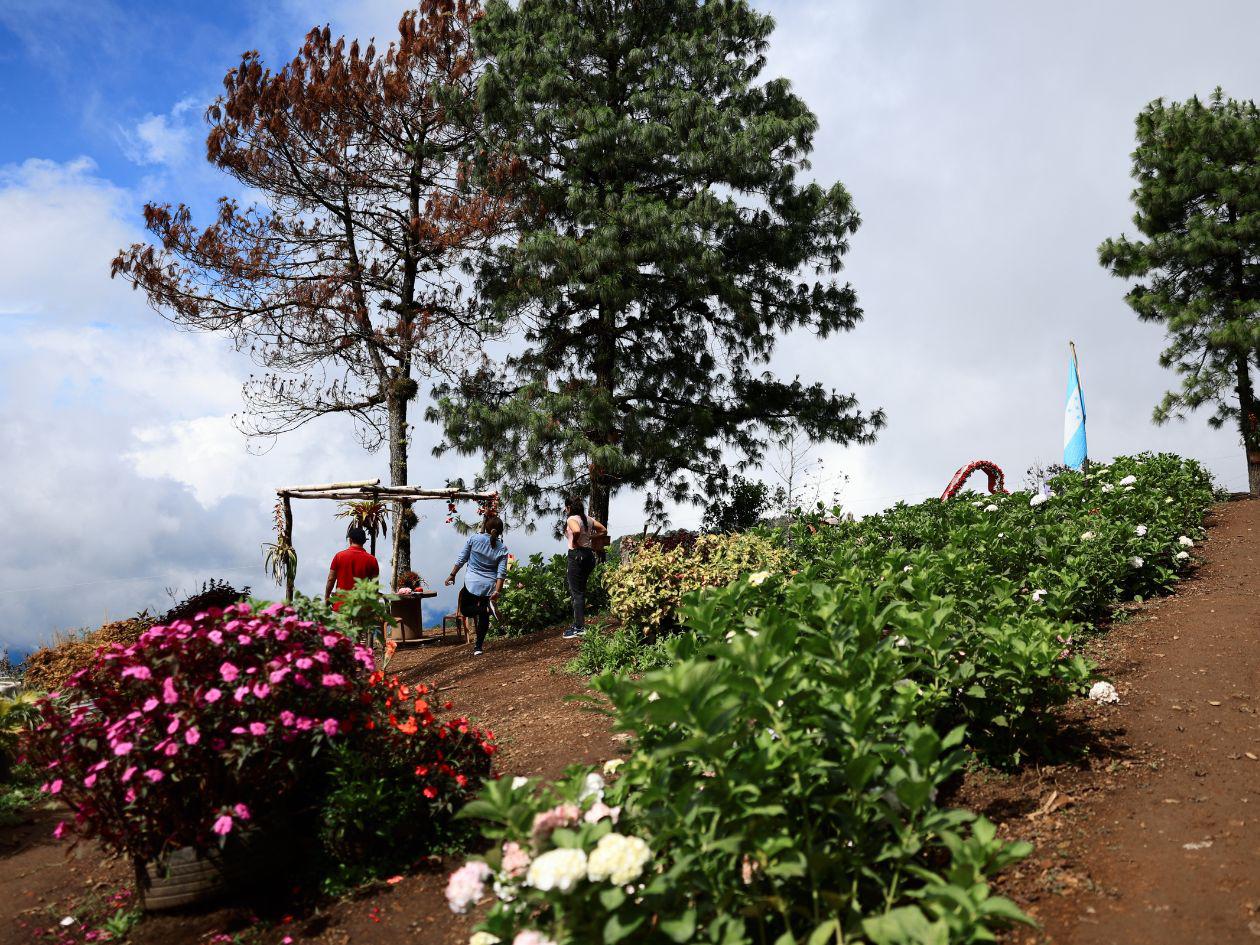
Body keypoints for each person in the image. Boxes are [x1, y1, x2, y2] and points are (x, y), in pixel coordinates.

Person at [445, 514, 509, 657]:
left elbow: (462, 558)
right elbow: (501, 573)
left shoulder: (474, 539)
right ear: (500, 531)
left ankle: (484, 611)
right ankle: (478, 647)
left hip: (472, 583)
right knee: (484, 616)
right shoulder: (503, 548)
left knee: (466, 610)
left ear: (486, 527)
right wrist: (497, 592)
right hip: (489, 586)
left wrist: (452, 574)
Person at [562, 496, 607, 639]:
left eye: (565, 507)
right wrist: (590, 538)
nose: (564, 510)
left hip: (576, 555)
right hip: (589, 556)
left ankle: (579, 628)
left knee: (577, 593)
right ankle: (578, 624)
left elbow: (575, 531)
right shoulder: (587, 519)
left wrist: (575, 542)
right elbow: (603, 530)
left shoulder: (571, 519)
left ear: (569, 507)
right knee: (580, 591)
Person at [325, 525, 380, 611]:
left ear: (350, 540)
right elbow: (375, 586)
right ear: (364, 541)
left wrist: (327, 598)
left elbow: (331, 579)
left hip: (341, 607)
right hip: (362, 609)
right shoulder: (372, 560)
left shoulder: (339, 556)